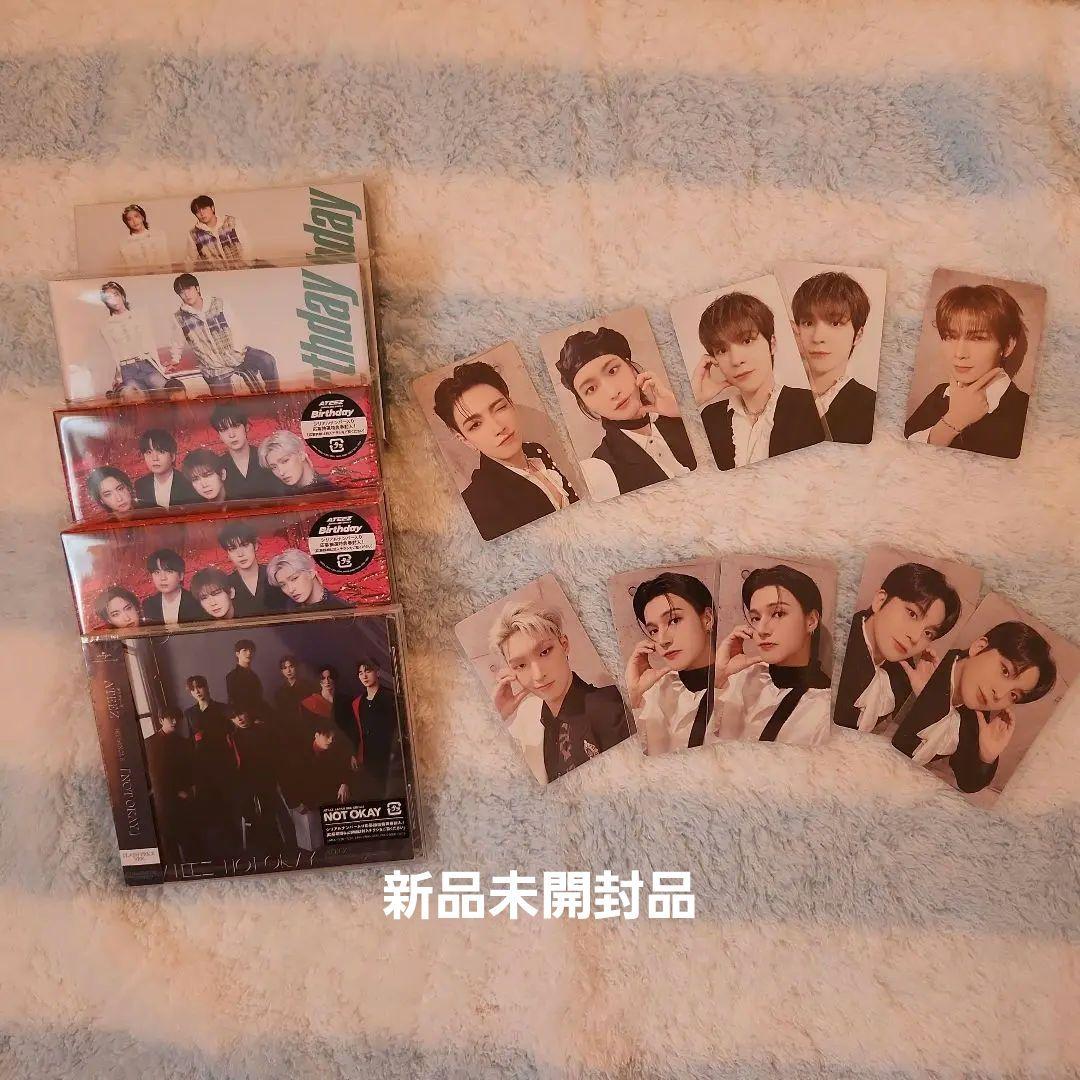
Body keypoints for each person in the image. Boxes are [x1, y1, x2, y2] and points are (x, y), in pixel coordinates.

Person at [891, 621, 1057, 793]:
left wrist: (986, 757)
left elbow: (968, 783)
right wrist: (925, 700)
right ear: (979, 648)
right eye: (1005, 671)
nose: (999, 694)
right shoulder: (915, 663)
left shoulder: (977, 717)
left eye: (1014, 695)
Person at [431, 361, 579, 541]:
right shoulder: (477, 505)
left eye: (500, 408)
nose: (498, 427)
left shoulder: (536, 451)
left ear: (511, 404)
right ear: (464, 439)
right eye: (475, 425)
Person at [489, 600, 632, 783]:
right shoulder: (527, 718)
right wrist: (497, 714)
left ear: (564, 645)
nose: (538, 675)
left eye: (545, 652)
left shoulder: (610, 706)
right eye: (521, 665)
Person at [555, 327, 695, 500]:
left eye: (612, 371)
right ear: (586, 404)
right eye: (591, 389)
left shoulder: (680, 418)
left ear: (631, 367)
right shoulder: (601, 470)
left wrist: (684, 410)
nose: (613, 392)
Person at [694, 292, 826, 470]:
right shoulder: (710, 418)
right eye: (722, 350)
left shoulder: (813, 405)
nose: (736, 360)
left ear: (772, 344)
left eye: (747, 341)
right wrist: (694, 400)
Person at [905, 283, 1032, 459]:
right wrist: (953, 421)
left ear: (1008, 346)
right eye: (950, 336)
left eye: (978, 338)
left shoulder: (1024, 411)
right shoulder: (939, 394)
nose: (959, 353)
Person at [833, 563, 962, 734]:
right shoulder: (836, 641)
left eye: (928, 633)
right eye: (912, 614)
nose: (915, 637)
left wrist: (922, 697)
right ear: (880, 601)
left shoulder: (905, 676)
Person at [711, 565, 832, 746]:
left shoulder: (824, 710)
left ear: (811, 621)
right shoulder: (740, 680)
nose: (761, 629)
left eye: (778, 613)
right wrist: (718, 677)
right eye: (755, 618)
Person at [625, 572, 718, 756]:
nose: (662, 640)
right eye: (653, 630)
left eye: (674, 620)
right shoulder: (655, 696)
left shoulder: (751, 682)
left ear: (707, 618)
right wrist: (634, 695)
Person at [790, 271, 876, 444]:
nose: (818, 337)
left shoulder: (873, 409)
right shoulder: (778, 402)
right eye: (808, 323)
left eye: (835, 323)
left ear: (858, 335)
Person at [170, 273, 279, 396]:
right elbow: (177, 341)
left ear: (197, 288)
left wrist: (237, 350)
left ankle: (274, 397)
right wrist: (175, 359)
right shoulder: (179, 317)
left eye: (189, 289)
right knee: (224, 401)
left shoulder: (218, 303)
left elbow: (236, 327)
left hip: (235, 353)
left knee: (267, 360)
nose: (186, 294)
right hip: (213, 365)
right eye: (182, 292)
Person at [98, 281, 175, 399]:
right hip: (127, 371)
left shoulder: (140, 316)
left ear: (122, 296)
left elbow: (150, 344)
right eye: (109, 298)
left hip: (146, 365)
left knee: (165, 394)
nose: (114, 300)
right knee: (136, 400)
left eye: (116, 295)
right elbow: (113, 353)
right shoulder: (106, 327)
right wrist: (117, 377)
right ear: (106, 303)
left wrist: (161, 368)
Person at [184, 674, 233, 855]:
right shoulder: (190, 713)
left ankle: (233, 845)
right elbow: (190, 741)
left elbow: (231, 733)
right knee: (209, 807)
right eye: (193, 689)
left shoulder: (222, 709)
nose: (197, 691)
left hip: (222, 763)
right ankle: (217, 850)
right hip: (202, 767)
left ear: (206, 687)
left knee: (227, 804)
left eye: (199, 687)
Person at [225, 706, 284, 852]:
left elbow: (276, 755)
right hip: (245, 780)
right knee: (248, 811)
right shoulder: (233, 737)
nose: (238, 719)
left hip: (266, 777)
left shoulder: (263, 730)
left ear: (247, 713)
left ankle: (274, 845)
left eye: (240, 714)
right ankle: (257, 844)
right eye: (234, 717)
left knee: (269, 811)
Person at [143, 709, 196, 864]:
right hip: (163, 800)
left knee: (189, 841)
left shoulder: (183, 742)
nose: (174, 722)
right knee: (169, 844)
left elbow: (189, 770)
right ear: (161, 720)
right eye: (170, 718)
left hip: (184, 798)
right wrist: (175, 792)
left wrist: (189, 789)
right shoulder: (149, 743)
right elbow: (155, 775)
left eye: (177, 719)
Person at [350, 657, 402, 799]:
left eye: (368, 671)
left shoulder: (391, 698)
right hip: (368, 759)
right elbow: (356, 731)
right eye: (360, 673)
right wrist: (354, 754)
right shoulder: (358, 702)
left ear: (377, 672)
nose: (364, 676)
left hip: (390, 758)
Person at [209, 403, 281, 500]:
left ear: (246, 427)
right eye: (224, 430)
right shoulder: (218, 465)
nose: (231, 435)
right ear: (219, 435)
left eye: (236, 426)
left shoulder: (266, 457)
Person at [217, 522, 285, 617]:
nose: (240, 554)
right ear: (228, 554)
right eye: (232, 549)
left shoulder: (274, 574)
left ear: (255, 545)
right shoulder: (226, 584)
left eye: (244, 545)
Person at [301, 665, 360, 759]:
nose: (327, 681)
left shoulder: (346, 701)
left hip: (343, 749)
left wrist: (353, 752)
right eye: (323, 678)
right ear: (319, 681)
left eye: (329, 678)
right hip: (320, 752)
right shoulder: (309, 704)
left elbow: (352, 728)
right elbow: (307, 732)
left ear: (334, 679)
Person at [266, 548, 352, 612]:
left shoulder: (341, 609)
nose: (290, 589)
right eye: (283, 585)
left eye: (294, 578)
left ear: (311, 573)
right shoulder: (288, 608)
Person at [133, 428, 198, 510]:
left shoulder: (188, 482)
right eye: (149, 452)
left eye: (161, 452)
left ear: (173, 456)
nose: (154, 458)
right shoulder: (140, 485)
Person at [256, 430, 337, 493]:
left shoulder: (331, 491)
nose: (281, 472)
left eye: (285, 461)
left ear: (301, 455)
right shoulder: (280, 496)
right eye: (274, 467)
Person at [186, 194, 252, 269]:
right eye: (197, 211)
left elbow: (247, 247)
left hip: (241, 270)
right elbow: (191, 260)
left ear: (212, 208)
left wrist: (246, 269)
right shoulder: (194, 234)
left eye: (204, 209)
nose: (202, 214)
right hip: (215, 274)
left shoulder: (232, 222)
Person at [142, 549, 204, 625]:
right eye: (157, 572)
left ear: (181, 576)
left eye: (169, 571)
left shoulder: (196, 601)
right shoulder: (148, 604)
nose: (163, 578)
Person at [225, 638, 271, 722]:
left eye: (251, 650)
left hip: (258, 717)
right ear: (237, 654)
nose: (249, 653)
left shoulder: (254, 677)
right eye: (245, 650)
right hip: (242, 719)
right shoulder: (232, 676)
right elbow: (233, 702)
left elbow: (258, 700)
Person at [117, 203, 170, 269]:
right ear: (127, 223)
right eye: (129, 219)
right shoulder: (124, 244)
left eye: (136, 216)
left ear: (142, 217)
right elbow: (130, 268)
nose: (134, 221)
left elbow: (165, 261)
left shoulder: (159, 235)